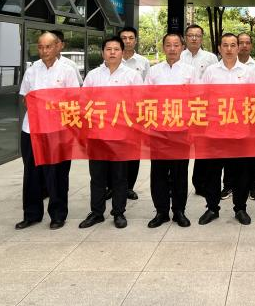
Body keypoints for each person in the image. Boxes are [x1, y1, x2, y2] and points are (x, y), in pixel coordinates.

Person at [16, 31, 81, 230]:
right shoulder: (32, 70)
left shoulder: (67, 70)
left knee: (57, 174)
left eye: (48, 47)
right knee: (31, 173)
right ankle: (32, 214)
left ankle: (58, 215)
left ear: (57, 46)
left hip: (58, 130)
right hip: (32, 130)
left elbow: (74, 100)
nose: (44, 51)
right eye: (41, 47)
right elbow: (25, 97)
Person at [79, 36, 144, 230]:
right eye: (108, 49)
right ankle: (97, 212)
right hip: (97, 134)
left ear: (122, 52)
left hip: (121, 135)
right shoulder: (93, 76)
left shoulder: (132, 76)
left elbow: (139, 103)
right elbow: (83, 102)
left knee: (119, 175)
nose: (112, 52)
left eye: (116, 49)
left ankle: (119, 212)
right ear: (103, 53)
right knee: (97, 176)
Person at [199, 33, 255, 225]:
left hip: (240, 131)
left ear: (238, 48)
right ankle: (212, 208)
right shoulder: (211, 71)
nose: (229, 49)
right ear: (219, 48)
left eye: (233, 45)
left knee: (241, 172)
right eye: (225, 45)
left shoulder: (248, 72)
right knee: (212, 173)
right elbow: (202, 98)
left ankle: (240, 208)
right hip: (215, 131)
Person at [145, 33, 196, 229]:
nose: (172, 49)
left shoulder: (190, 71)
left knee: (179, 172)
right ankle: (161, 211)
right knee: (158, 172)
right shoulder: (154, 71)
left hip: (181, 129)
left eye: (176, 45)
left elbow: (197, 100)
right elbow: (146, 99)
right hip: (158, 130)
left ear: (182, 47)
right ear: (163, 47)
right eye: (168, 45)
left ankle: (179, 211)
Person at [182, 24, 219, 197]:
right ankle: (175, 183)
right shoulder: (179, 56)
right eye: (191, 35)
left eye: (197, 35)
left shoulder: (211, 58)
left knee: (202, 147)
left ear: (202, 38)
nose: (194, 38)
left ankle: (200, 183)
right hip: (182, 109)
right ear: (185, 38)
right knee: (181, 148)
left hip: (204, 109)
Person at [119, 26, 151, 202]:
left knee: (133, 152)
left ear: (136, 41)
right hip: (114, 115)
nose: (127, 41)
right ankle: (113, 186)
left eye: (131, 38)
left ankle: (129, 187)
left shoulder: (143, 62)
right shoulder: (111, 59)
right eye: (124, 38)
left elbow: (147, 89)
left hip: (134, 114)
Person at [236, 32, 255, 202]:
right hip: (230, 115)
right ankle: (229, 185)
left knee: (251, 152)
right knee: (229, 152)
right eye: (241, 42)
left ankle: (252, 186)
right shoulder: (224, 66)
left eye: (247, 43)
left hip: (251, 115)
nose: (244, 46)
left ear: (251, 45)